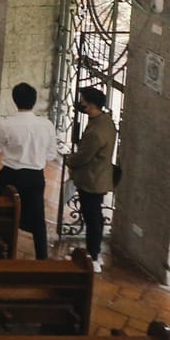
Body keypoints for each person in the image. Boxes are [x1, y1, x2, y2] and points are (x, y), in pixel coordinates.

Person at [0, 82, 59, 260]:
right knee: (37, 216)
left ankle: (3, 253)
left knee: (5, 214)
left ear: (15, 101)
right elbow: (51, 154)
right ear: (34, 101)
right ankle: (42, 257)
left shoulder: (6, 124)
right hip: (35, 177)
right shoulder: (47, 125)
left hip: (11, 175)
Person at [62, 86, 118, 270]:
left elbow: (84, 155)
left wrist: (68, 160)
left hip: (92, 179)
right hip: (99, 176)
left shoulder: (96, 132)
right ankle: (93, 252)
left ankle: (93, 257)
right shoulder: (105, 121)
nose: (81, 103)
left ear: (91, 104)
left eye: (83, 101)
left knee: (92, 218)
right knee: (95, 217)